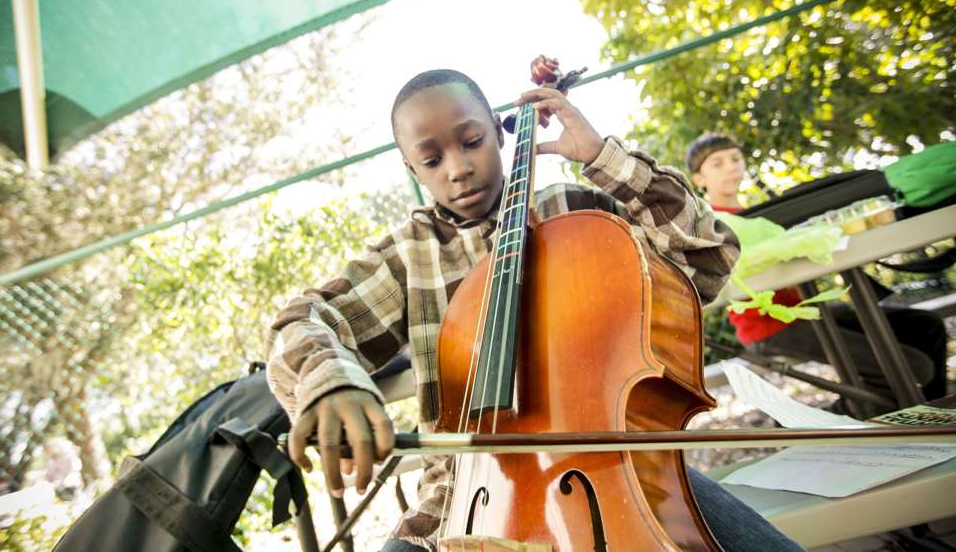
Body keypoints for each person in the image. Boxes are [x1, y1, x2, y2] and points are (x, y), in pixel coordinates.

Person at [266, 70, 803, 551]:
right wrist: (330, 381)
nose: (457, 168)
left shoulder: (581, 216)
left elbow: (707, 257)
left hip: (612, 464)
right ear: (411, 167)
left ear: (501, 133)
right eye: (431, 160)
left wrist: (602, 158)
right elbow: (303, 319)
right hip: (458, 499)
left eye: (472, 141)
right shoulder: (407, 257)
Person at [686, 133, 948, 406]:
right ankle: (821, 426)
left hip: (803, 311)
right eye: (717, 163)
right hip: (768, 327)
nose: (730, 166)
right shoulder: (712, 224)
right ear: (699, 179)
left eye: (735, 159)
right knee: (914, 369)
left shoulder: (766, 214)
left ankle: (935, 415)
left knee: (927, 327)